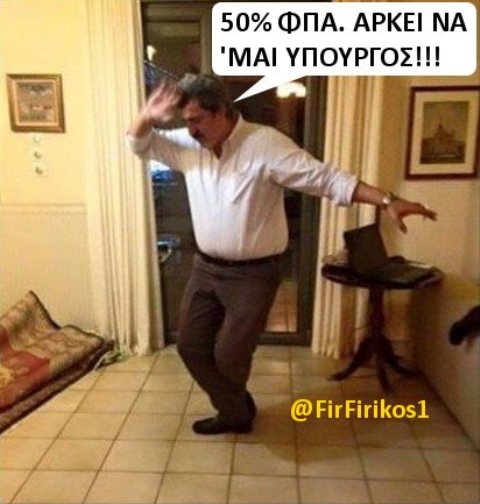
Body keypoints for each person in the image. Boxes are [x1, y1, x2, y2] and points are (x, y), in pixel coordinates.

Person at [127, 74, 437, 435]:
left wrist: (387, 200)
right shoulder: (188, 145)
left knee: (229, 357)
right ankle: (237, 408)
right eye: (186, 121)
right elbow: (138, 143)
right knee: (191, 347)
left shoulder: (265, 144)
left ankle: (233, 413)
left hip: (252, 275)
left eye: (197, 120)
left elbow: (325, 179)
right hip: (205, 269)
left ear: (222, 110)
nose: (191, 129)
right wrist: (148, 115)